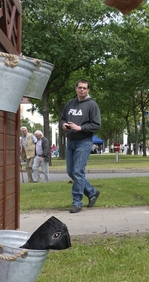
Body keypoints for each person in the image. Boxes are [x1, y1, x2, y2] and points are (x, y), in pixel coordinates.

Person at [61, 79, 102, 213]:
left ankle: (77, 202)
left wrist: (80, 127)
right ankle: (92, 192)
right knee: (71, 172)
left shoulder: (92, 105)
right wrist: (63, 125)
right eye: (80, 88)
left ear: (88, 90)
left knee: (78, 171)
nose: (82, 90)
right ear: (76, 88)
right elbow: (62, 118)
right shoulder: (70, 103)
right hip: (71, 141)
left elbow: (96, 124)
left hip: (84, 141)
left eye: (85, 88)